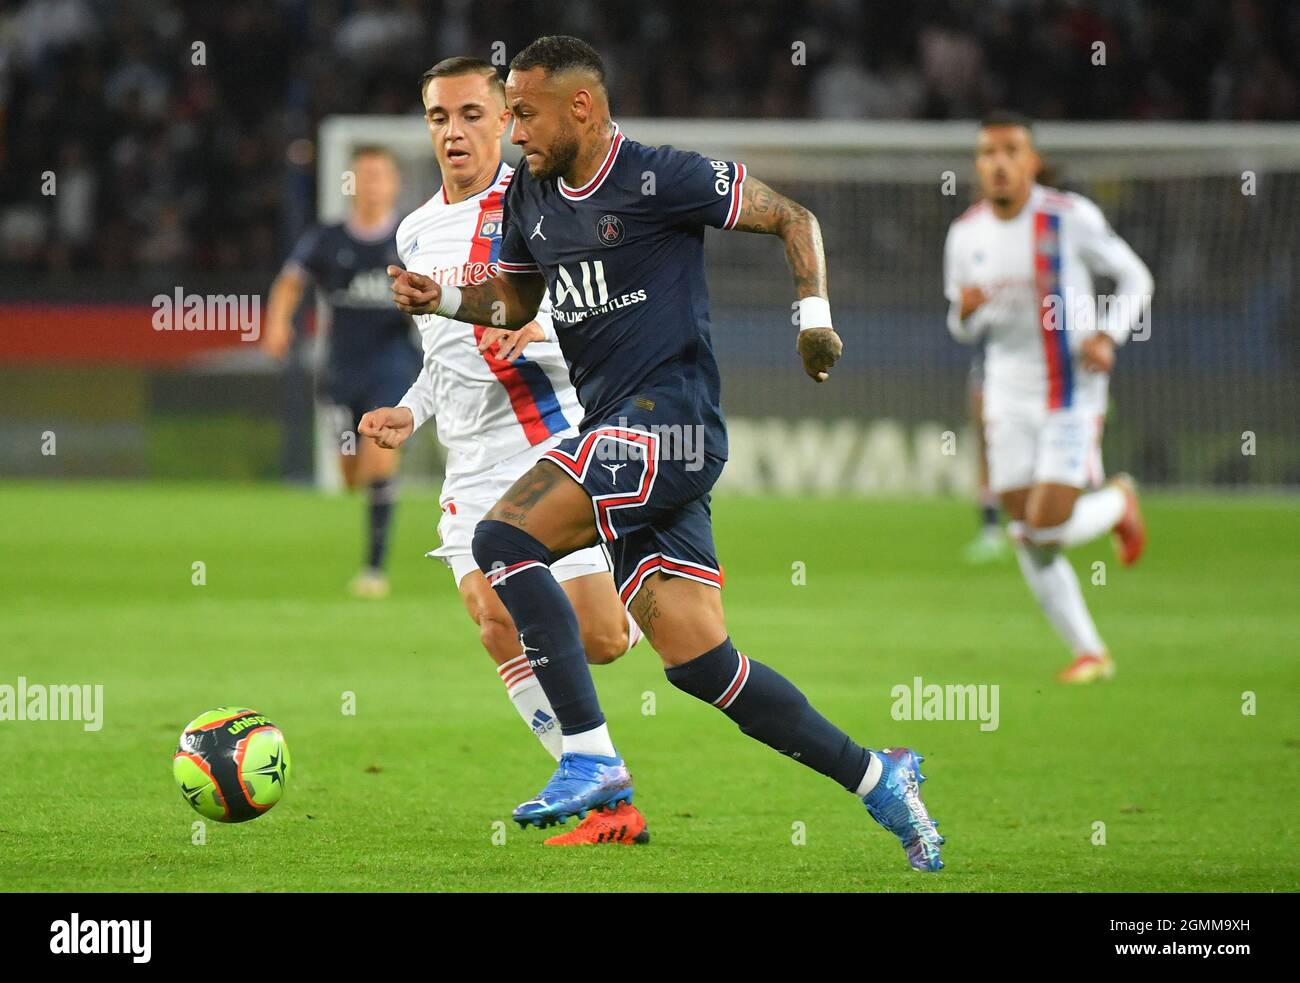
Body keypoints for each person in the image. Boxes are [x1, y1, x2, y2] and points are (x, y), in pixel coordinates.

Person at [388, 36, 943, 872]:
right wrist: (450, 298)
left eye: (524, 114)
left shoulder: (658, 176)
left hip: (669, 423)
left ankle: (592, 758)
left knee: (503, 539)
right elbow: (515, 297)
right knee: (699, 659)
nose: (514, 132)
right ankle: (878, 776)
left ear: (582, 106)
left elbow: (794, 217)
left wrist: (814, 318)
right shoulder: (530, 199)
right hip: (615, 428)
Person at [359, 56, 647, 846]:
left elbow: (603, 320)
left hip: (550, 439)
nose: (454, 131)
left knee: (605, 639)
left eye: (472, 115)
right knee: (491, 616)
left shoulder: (545, 209)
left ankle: (650, 565)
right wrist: (409, 412)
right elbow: (443, 357)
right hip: (471, 459)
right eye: (439, 117)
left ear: (506, 119)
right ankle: (603, 789)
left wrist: (541, 327)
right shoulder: (415, 230)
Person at [944, 111, 1152, 683]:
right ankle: (1091, 652)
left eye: (1012, 150)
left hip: (1071, 392)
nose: (1000, 162)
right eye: (988, 152)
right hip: (1007, 394)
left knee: (1044, 525)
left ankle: (1118, 502)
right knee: (1028, 534)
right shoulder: (964, 235)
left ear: (1033, 161)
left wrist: (1108, 334)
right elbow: (962, 326)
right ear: (978, 165)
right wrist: (962, 313)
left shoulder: (1069, 217)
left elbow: (1137, 279)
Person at [264, 146, 421, 598]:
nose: (371, 185)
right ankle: (375, 496)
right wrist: (276, 324)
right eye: (363, 176)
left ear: (393, 184)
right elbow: (290, 282)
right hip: (339, 371)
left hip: (392, 365)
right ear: (350, 183)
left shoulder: (411, 240)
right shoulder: (327, 240)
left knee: (379, 459)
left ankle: (374, 570)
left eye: (380, 176)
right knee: (351, 475)